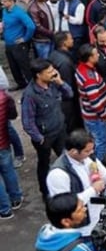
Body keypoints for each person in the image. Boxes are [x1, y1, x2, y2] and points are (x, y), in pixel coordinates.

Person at [46, 129, 106, 236]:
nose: (91, 152)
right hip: (83, 227)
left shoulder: (87, 156)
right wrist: (93, 190)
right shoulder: (58, 175)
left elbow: (97, 167)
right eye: (87, 151)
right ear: (73, 152)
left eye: (92, 149)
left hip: (99, 213)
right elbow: (64, 206)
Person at [22, 59, 73, 201]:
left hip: (59, 130)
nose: (53, 73)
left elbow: (69, 94)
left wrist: (61, 82)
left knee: (66, 159)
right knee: (44, 163)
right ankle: (46, 191)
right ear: (39, 75)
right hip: (45, 136)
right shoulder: (30, 95)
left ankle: (68, 186)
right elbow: (27, 122)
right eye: (49, 71)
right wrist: (40, 138)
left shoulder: (54, 84)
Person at [75, 44, 106, 162]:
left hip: (88, 114)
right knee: (101, 143)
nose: (98, 55)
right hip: (96, 117)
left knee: (94, 141)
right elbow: (95, 101)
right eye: (96, 54)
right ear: (90, 58)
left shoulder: (81, 69)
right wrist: (104, 115)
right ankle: (97, 168)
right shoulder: (89, 77)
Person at [1, 0, 35, 90]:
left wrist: (25, 38)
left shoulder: (19, 12)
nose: (2, 3)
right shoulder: (5, 10)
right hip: (8, 43)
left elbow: (31, 26)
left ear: (11, 1)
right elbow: (5, 22)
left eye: (4, 1)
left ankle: (32, 86)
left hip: (18, 45)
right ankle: (20, 83)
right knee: (13, 66)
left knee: (24, 66)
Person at [0, 85, 23, 220]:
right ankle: (16, 198)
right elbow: (12, 116)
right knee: (9, 171)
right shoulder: (4, 96)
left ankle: (4, 209)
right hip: (3, 142)